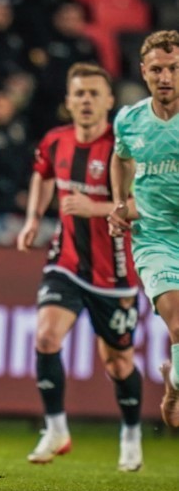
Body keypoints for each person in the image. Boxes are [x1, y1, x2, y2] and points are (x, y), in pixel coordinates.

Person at [17, 62, 143, 472]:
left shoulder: (123, 148)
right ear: (68, 102)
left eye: (94, 93)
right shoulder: (56, 140)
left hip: (116, 271)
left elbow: (144, 204)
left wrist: (96, 208)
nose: (86, 100)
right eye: (79, 94)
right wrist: (34, 219)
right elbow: (42, 175)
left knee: (118, 363)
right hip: (67, 260)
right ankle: (56, 429)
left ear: (109, 101)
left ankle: (131, 434)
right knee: (46, 336)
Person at [108, 30, 179, 430]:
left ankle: (175, 382)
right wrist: (120, 202)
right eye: (157, 69)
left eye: (174, 69)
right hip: (155, 239)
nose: (165, 77)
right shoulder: (130, 120)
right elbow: (120, 158)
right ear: (143, 71)